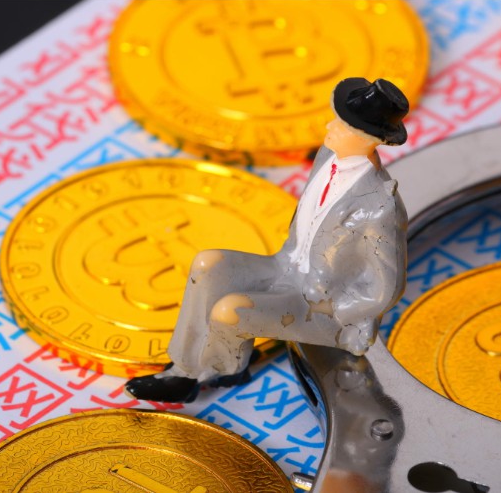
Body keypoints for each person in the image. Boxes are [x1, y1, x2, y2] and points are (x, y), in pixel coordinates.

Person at [125, 77, 409, 403]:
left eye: (343, 125)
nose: (330, 126)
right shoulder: (326, 157)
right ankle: (184, 368)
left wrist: (340, 311)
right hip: (285, 263)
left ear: (368, 139)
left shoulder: (380, 205)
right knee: (209, 263)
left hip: (320, 301)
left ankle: (206, 373)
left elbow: (388, 286)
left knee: (229, 311)